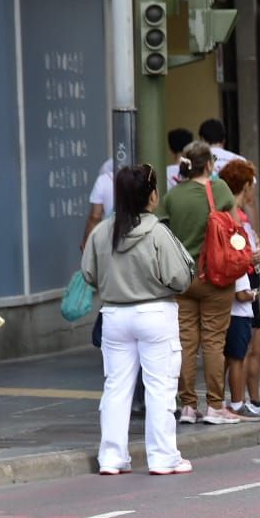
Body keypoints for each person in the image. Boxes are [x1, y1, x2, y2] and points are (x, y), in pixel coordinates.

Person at [80, 165, 196, 475]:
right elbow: (180, 277)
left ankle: (112, 457)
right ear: (152, 196)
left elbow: (88, 273)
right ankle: (162, 457)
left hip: (114, 315)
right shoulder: (157, 231)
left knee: (116, 387)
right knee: (160, 388)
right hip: (155, 313)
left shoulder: (102, 231)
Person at [162, 140, 242, 424]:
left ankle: (186, 406)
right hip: (215, 278)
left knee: (185, 342)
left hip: (182, 279)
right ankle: (215, 405)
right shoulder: (219, 189)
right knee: (213, 341)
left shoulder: (173, 196)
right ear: (209, 164)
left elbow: (161, 233)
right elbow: (236, 230)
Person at [216, 158, 260, 421]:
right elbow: (237, 254)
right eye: (251, 185)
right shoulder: (232, 217)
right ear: (245, 186)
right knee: (237, 352)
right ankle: (235, 403)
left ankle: (247, 401)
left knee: (248, 347)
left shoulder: (239, 216)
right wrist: (253, 257)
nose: (253, 191)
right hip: (242, 287)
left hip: (248, 282)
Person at [80, 158, 114, 251]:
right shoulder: (139, 175)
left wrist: (85, 242)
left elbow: (95, 217)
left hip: (113, 240)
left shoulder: (104, 180)